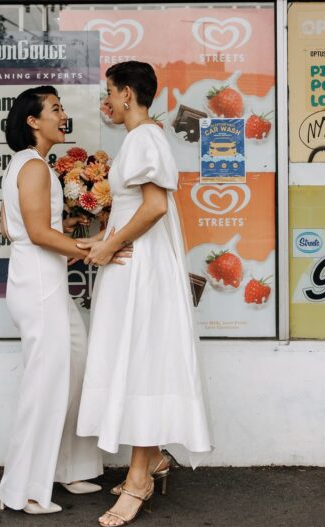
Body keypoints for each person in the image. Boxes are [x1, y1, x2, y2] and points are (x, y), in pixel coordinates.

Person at [76, 61, 212, 527]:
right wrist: (99, 242)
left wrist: (110, 244)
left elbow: (154, 206)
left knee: (140, 360)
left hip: (141, 273)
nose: (105, 102)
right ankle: (150, 460)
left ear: (128, 94)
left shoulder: (145, 138)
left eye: (109, 93)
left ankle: (139, 478)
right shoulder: (141, 139)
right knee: (136, 359)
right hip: (133, 268)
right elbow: (137, 209)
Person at [0, 85, 129, 515]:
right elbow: (36, 233)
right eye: (55, 109)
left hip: (38, 278)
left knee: (74, 368)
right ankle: (25, 490)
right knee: (47, 384)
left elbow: (11, 227)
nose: (62, 115)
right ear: (33, 122)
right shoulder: (34, 167)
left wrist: (67, 222)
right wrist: (91, 246)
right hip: (39, 284)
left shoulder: (25, 164)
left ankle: (69, 468)